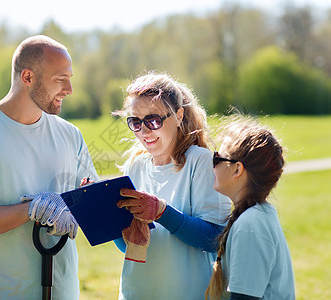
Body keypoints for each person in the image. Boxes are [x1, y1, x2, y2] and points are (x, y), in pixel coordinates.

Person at [0, 35, 98, 299]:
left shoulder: (70, 135)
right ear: (28, 77)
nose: (69, 89)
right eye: (60, 79)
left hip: (62, 289)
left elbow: (90, 204)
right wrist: (31, 210)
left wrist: (87, 204)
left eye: (70, 77)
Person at [112, 72, 232, 299]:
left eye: (153, 120)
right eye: (135, 122)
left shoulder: (201, 161)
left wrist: (162, 212)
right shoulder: (134, 166)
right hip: (137, 292)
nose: (144, 131)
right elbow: (131, 248)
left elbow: (216, 239)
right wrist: (106, 217)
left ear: (178, 116)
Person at [205, 117, 295, 300]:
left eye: (217, 158)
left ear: (237, 169)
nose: (212, 165)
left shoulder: (250, 224)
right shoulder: (256, 216)